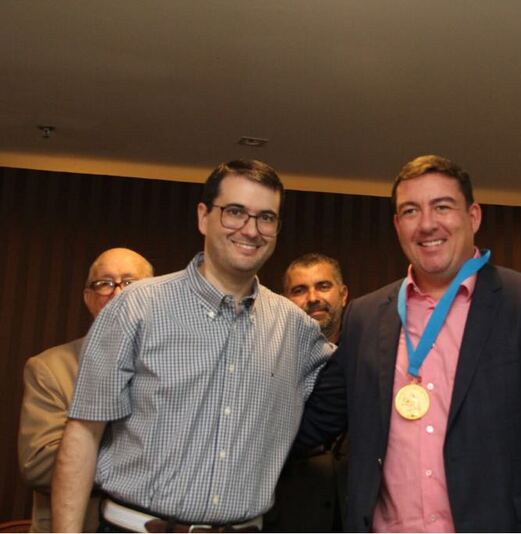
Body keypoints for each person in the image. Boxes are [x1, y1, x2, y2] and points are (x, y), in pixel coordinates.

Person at [300, 154, 521, 532]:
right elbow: (316, 418)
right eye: (411, 211)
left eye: (442, 207)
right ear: (397, 224)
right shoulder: (365, 315)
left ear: (473, 216)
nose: (427, 224)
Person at [51, 160, 333, 533]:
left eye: (266, 218)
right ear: (203, 217)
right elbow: (83, 435)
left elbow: (359, 382)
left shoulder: (296, 329)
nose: (251, 230)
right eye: (235, 212)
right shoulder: (136, 306)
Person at [18, 248, 154, 532]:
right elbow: (38, 465)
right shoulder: (50, 368)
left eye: (130, 283)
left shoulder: (170, 368)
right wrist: (141, 454)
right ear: (88, 297)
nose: (117, 293)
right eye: (104, 283)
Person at [265, 253, 349, 532]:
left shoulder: (370, 351)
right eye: (299, 290)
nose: (313, 298)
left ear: (343, 294)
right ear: (285, 301)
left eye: (323, 286)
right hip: (288, 514)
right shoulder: (267, 359)